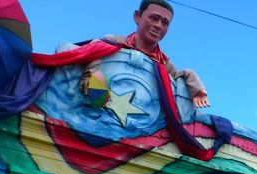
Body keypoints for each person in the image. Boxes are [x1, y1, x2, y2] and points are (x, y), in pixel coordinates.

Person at [81, 0, 209, 108]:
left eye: (165, 23)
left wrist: (198, 90)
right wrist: (92, 71)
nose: (158, 26)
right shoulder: (114, 42)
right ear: (137, 16)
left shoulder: (163, 62)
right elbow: (93, 48)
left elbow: (181, 74)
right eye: (154, 18)